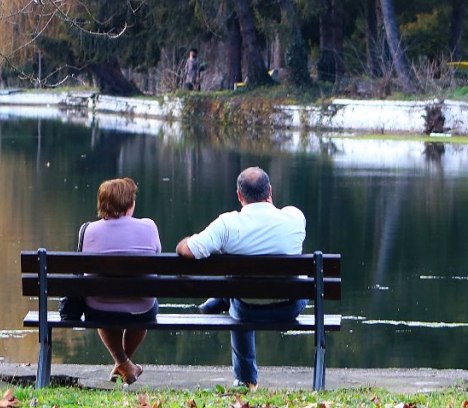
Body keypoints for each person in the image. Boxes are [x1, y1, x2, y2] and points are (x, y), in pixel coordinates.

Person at [175, 167, 306, 389]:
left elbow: (188, 250)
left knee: (237, 297)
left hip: (247, 307)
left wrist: (184, 241)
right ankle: (221, 299)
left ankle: (246, 379)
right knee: (248, 289)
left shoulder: (228, 224)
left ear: (239, 195)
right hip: (289, 306)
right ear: (270, 191)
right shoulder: (294, 217)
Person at [82, 177, 162, 384]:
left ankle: (122, 363)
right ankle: (125, 364)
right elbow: (157, 258)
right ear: (130, 204)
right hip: (142, 308)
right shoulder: (149, 227)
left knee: (102, 303)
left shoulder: (88, 231)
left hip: (99, 308)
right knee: (145, 303)